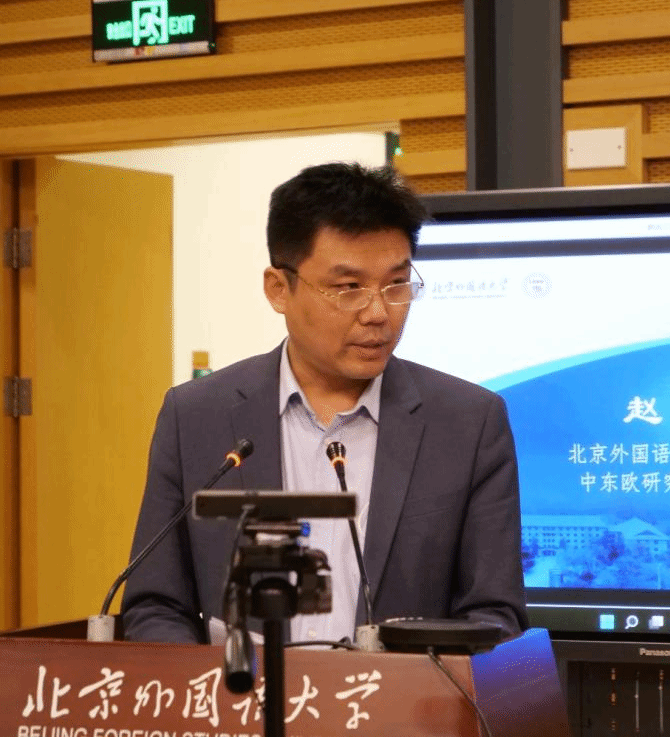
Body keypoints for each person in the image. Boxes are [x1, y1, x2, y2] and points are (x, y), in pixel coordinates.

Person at [122, 162, 528, 645]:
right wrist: (217, 684)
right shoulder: (194, 417)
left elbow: (495, 616)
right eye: (348, 288)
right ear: (279, 289)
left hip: (398, 696)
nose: (378, 313)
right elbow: (155, 605)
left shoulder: (468, 423)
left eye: (397, 284)